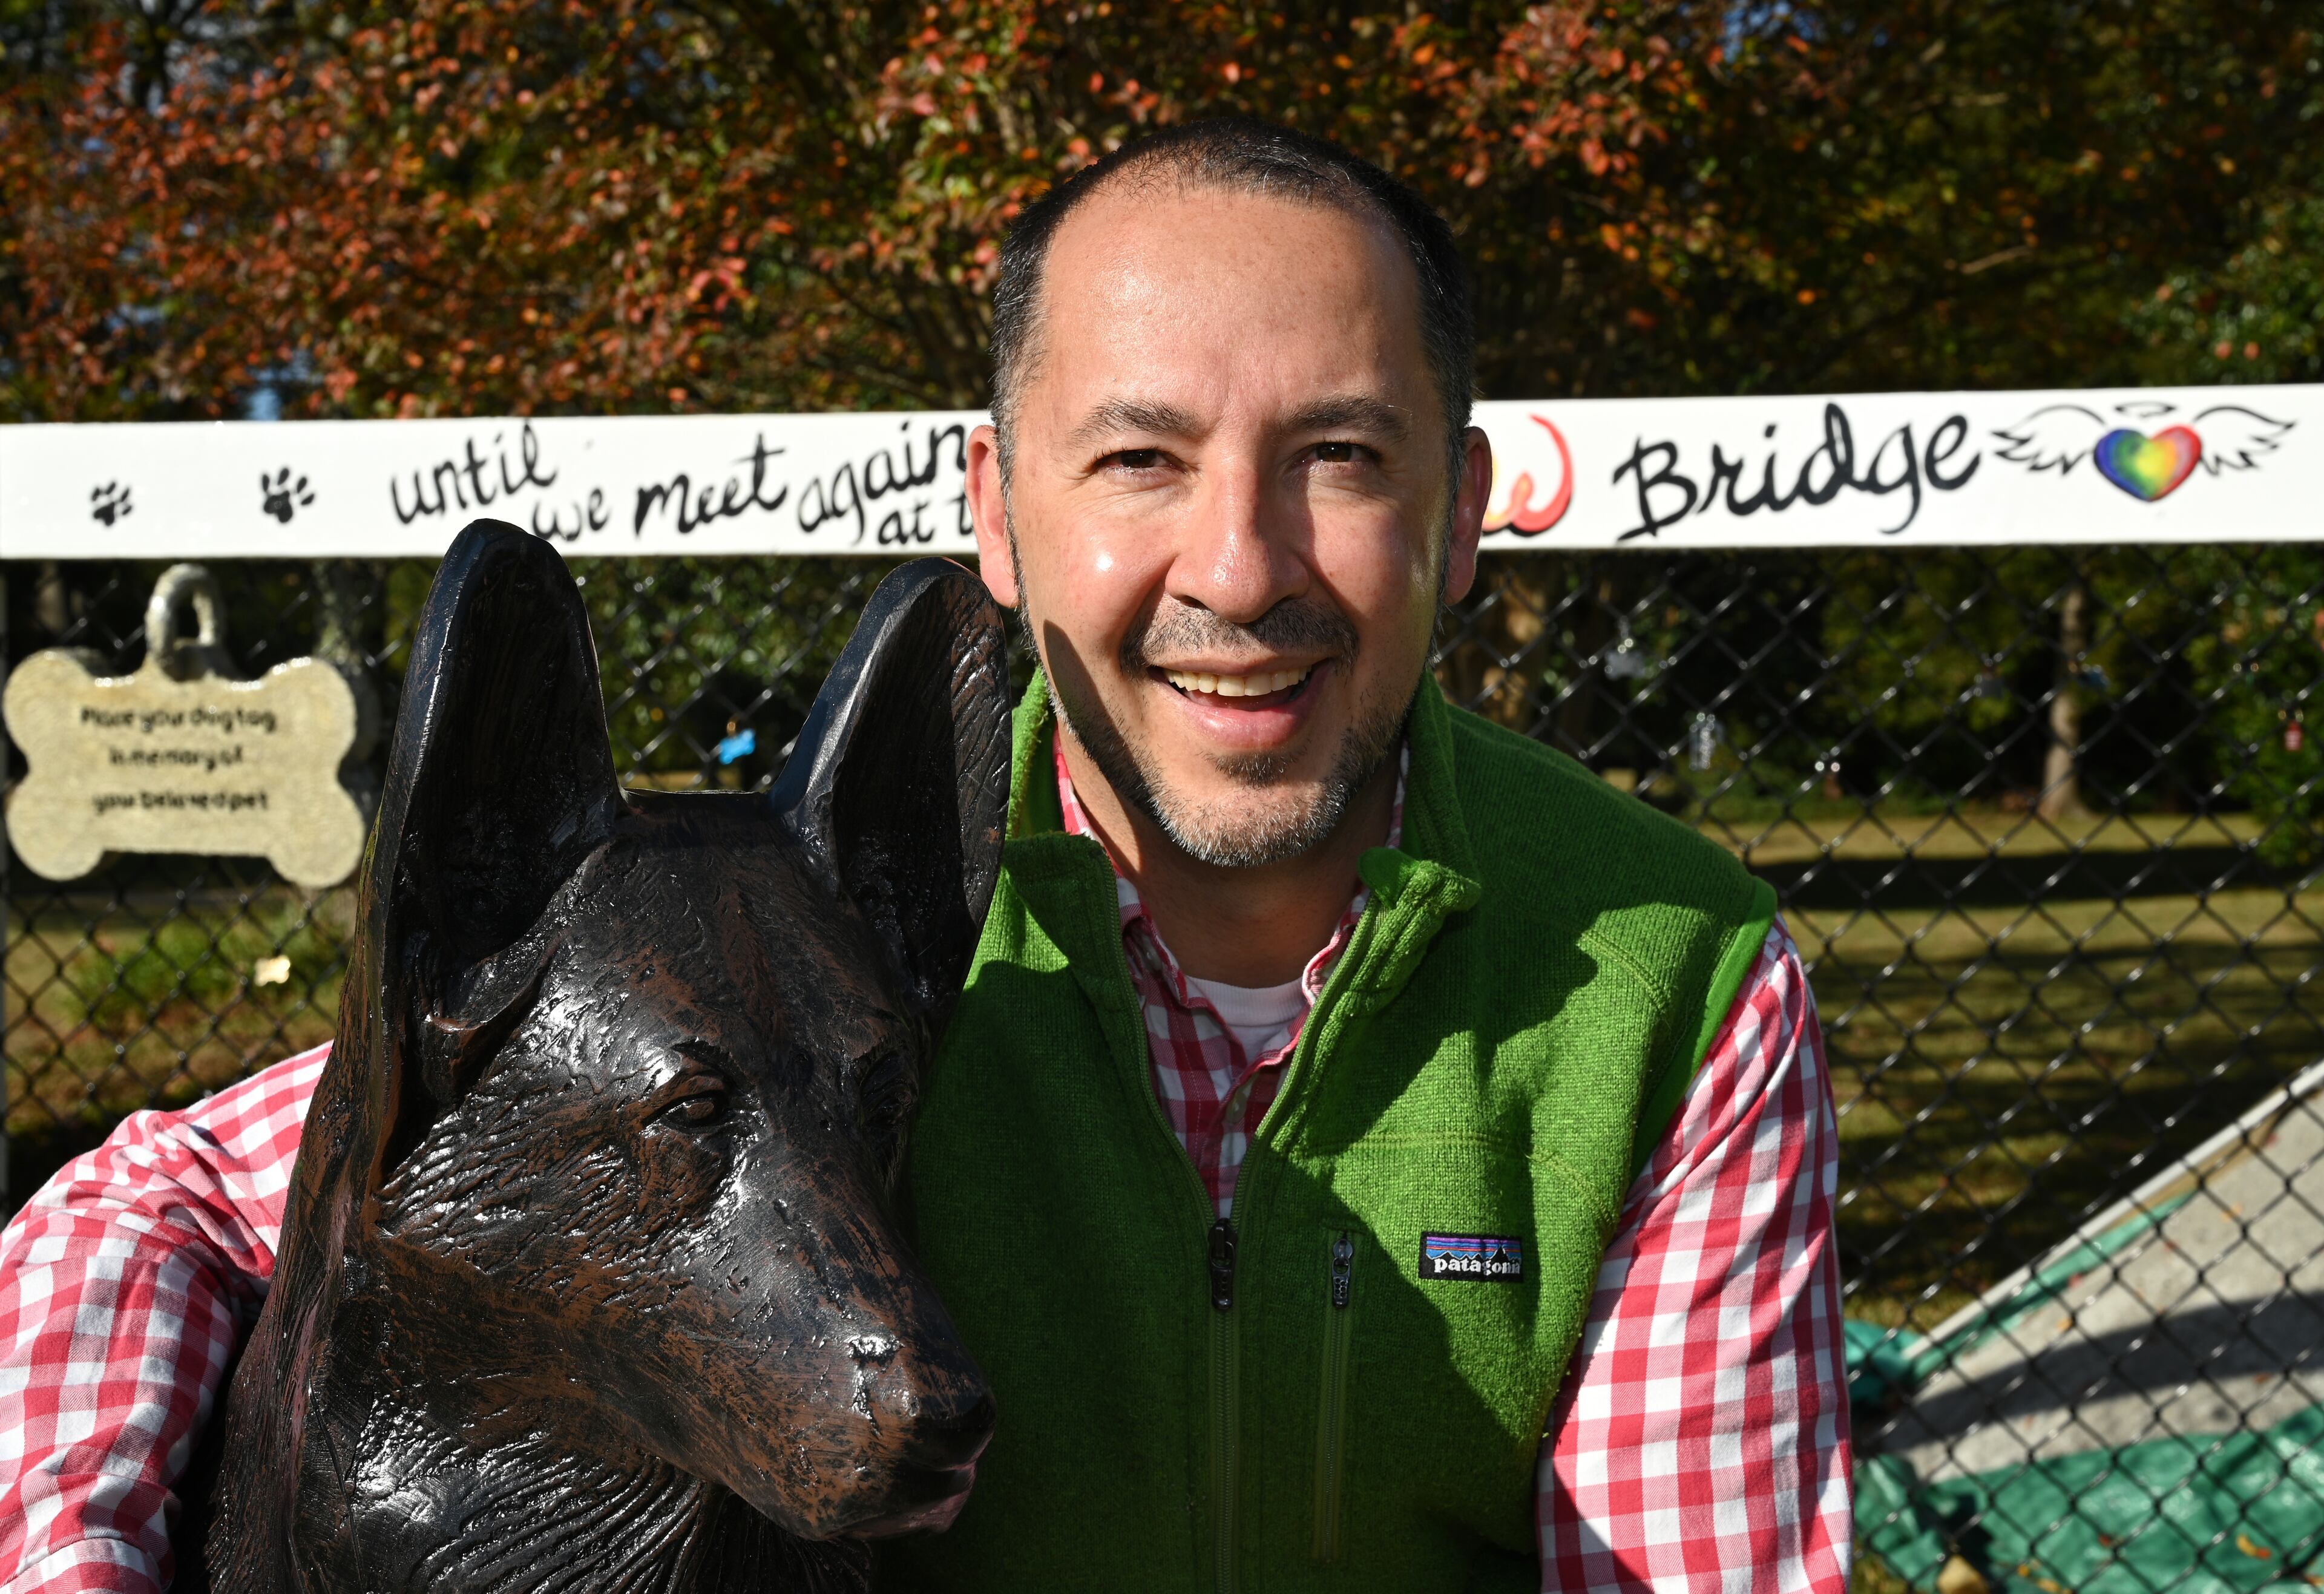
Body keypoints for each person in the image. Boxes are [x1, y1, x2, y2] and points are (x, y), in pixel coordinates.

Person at [0, 120, 1849, 1592]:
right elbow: (163, 1195)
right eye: (1139, 458)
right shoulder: (824, 938)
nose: (1241, 566)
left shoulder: (1662, 975)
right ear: (1000, 514)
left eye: (1343, 456)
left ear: (1462, 510)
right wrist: (83, 1550)